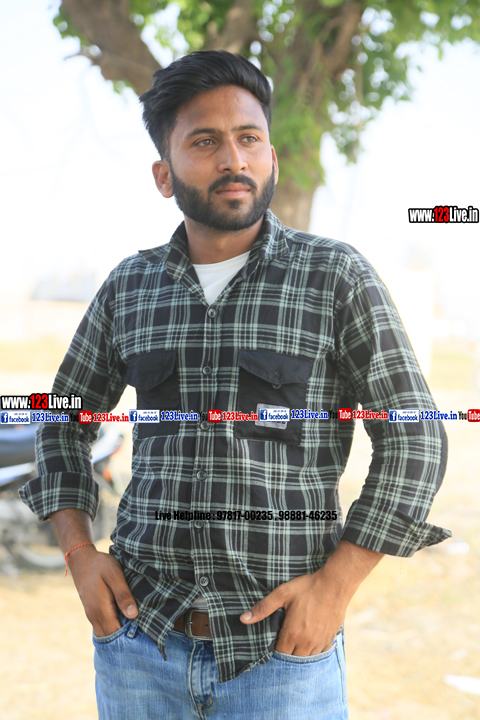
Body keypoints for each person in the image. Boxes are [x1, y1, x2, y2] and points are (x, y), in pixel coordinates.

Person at [19, 50, 450, 719]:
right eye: (205, 142)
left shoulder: (335, 278)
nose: (233, 159)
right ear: (164, 175)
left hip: (280, 659)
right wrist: (78, 552)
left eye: (249, 138)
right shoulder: (130, 288)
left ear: (271, 157)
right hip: (140, 649)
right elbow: (62, 420)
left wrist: (335, 587)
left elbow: (415, 439)